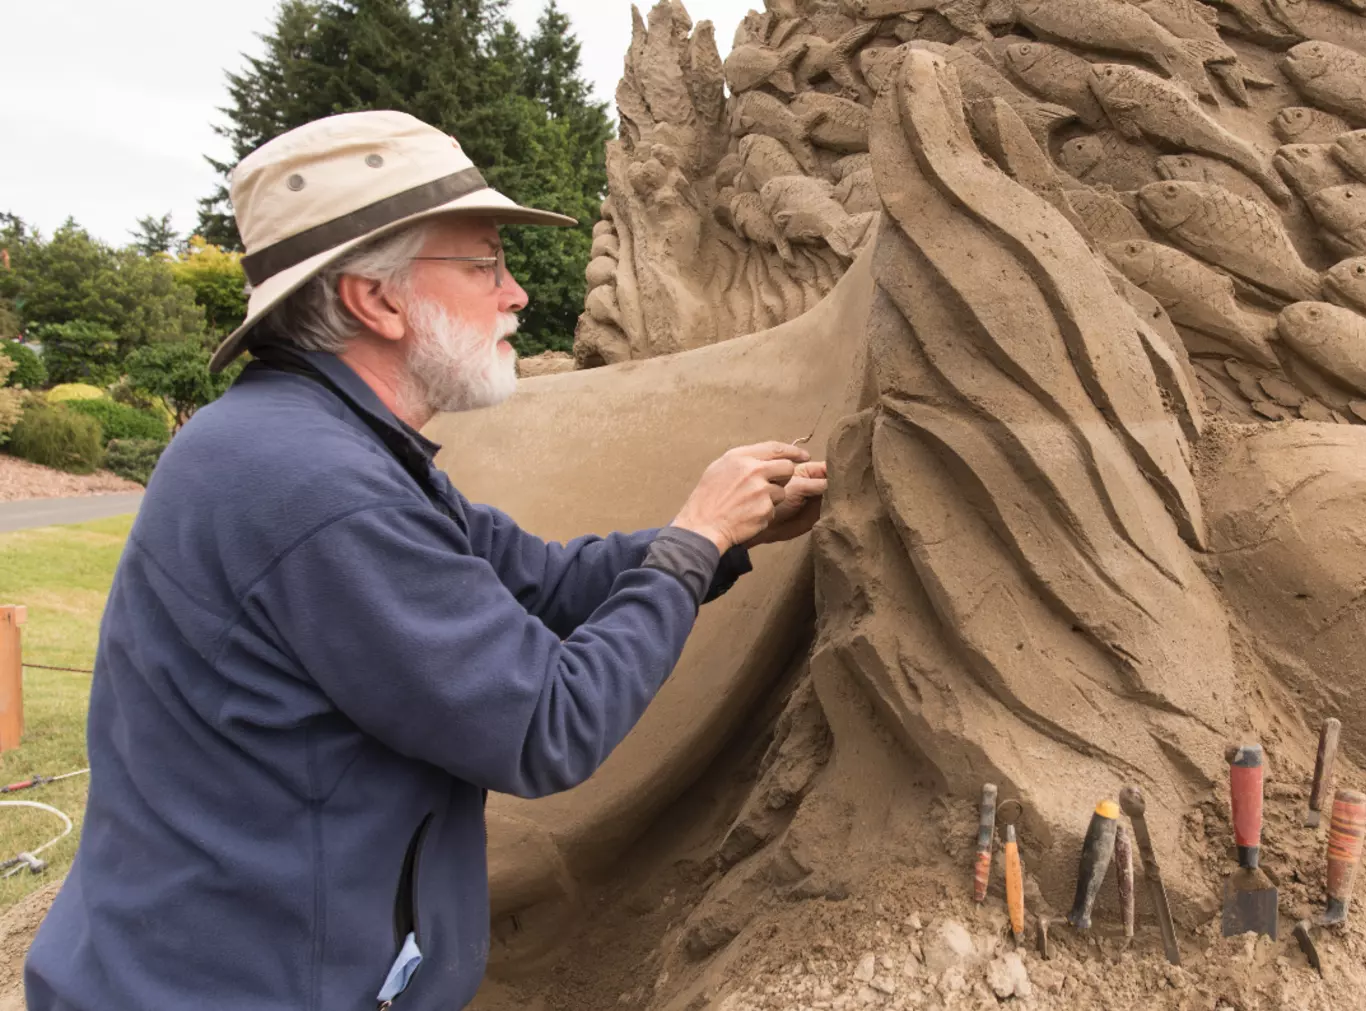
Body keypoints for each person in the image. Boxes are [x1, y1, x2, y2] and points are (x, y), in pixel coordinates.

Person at [23, 110, 827, 1010]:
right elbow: (546, 724)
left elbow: (542, 578)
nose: (517, 293)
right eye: (485, 264)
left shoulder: (322, 444)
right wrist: (692, 542)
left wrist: (722, 535)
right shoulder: (315, 485)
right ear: (378, 298)